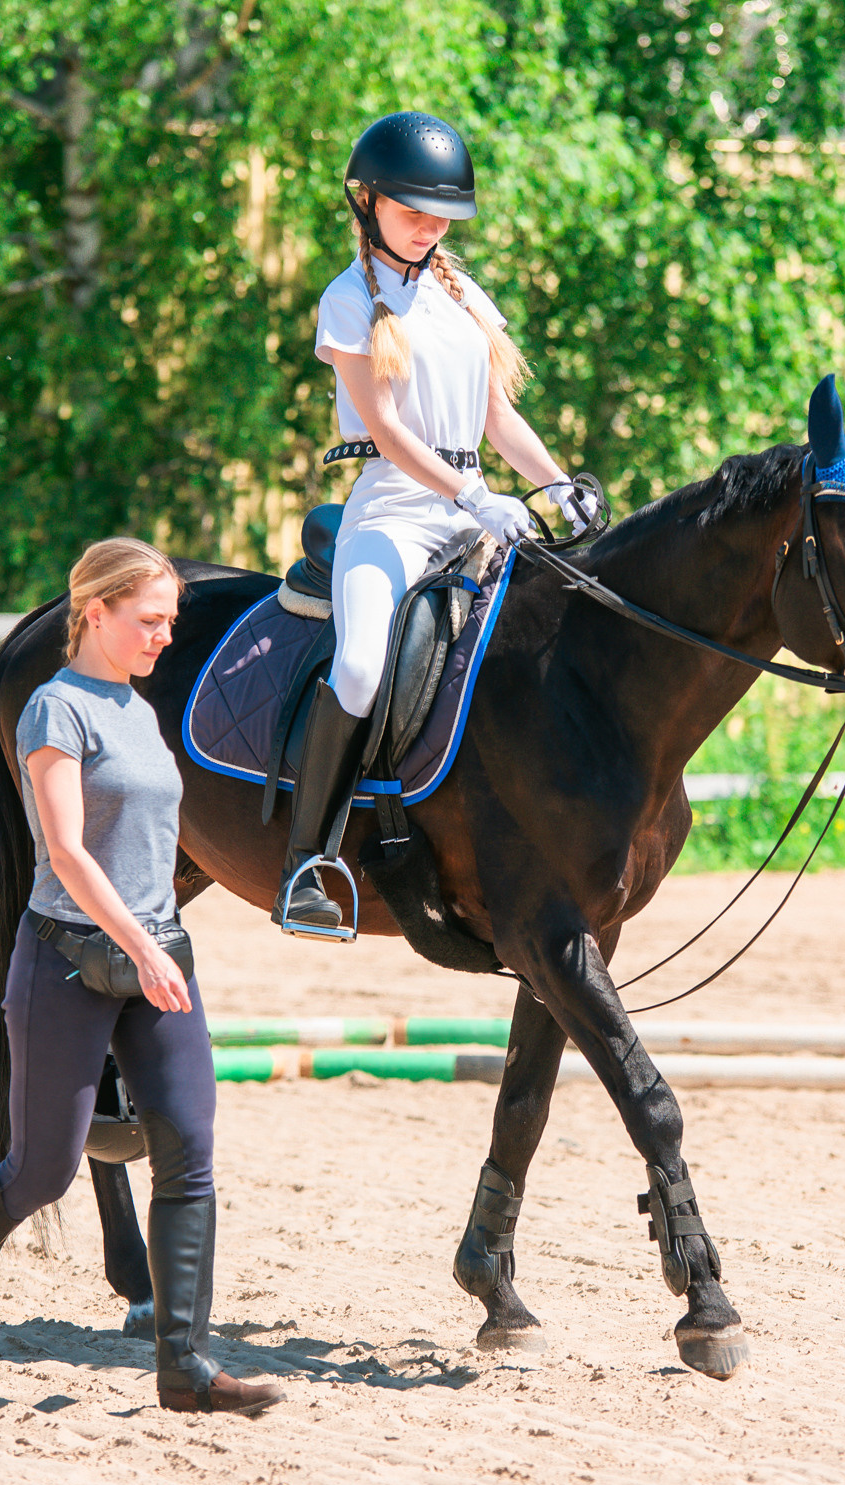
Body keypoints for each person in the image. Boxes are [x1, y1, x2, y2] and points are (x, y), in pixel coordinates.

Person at [0, 537, 284, 1415]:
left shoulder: (142, 712)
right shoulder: (55, 711)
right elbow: (63, 848)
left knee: (189, 1152)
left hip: (156, 957)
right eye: (148, 621)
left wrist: (156, 945)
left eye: (170, 623)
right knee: (41, 1171)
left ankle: (184, 1365)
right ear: (93, 612)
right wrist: (140, 945)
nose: (164, 639)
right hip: (68, 960)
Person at [275, 111, 592, 937]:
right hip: (392, 513)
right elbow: (385, 431)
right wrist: (469, 495)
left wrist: (556, 485)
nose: (430, 227)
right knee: (358, 663)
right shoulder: (347, 301)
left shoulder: (461, 295)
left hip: (475, 512)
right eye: (413, 211)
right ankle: (307, 860)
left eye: (440, 215)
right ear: (367, 201)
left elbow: (497, 417)